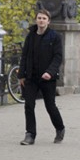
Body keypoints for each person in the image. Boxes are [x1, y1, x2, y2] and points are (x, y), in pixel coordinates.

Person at [17, 9, 66, 145]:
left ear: (48, 21)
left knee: (50, 106)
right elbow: (24, 56)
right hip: (31, 77)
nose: (41, 20)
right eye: (39, 18)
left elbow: (58, 57)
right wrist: (21, 75)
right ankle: (30, 134)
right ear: (36, 20)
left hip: (47, 78)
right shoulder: (31, 36)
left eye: (44, 18)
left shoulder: (54, 37)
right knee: (29, 105)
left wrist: (49, 72)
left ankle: (60, 128)